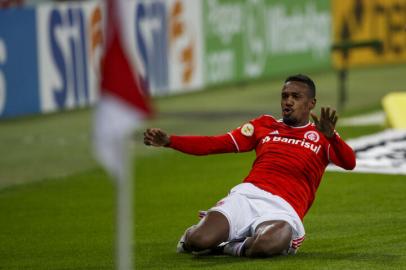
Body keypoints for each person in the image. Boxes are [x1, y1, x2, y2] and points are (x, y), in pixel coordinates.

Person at [143, 74, 356, 258]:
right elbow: (216, 143)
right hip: (247, 196)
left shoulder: (322, 135)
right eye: (284, 96)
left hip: (283, 209)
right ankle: (196, 236)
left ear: (311, 103)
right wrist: (170, 140)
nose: (288, 102)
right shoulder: (264, 125)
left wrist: (333, 137)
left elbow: (349, 163)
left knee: (265, 245)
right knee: (199, 240)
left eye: (296, 97)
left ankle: (226, 248)